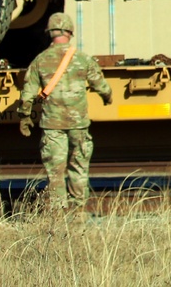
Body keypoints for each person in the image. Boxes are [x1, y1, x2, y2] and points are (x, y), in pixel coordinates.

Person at [17, 12, 113, 211]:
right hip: (79, 125)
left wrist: (25, 117)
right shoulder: (83, 59)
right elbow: (101, 85)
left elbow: (27, 94)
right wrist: (107, 97)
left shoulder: (40, 60)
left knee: (55, 173)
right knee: (79, 169)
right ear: (69, 32)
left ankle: (58, 216)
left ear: (50, 33)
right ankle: (78, 214)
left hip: (52, 126)